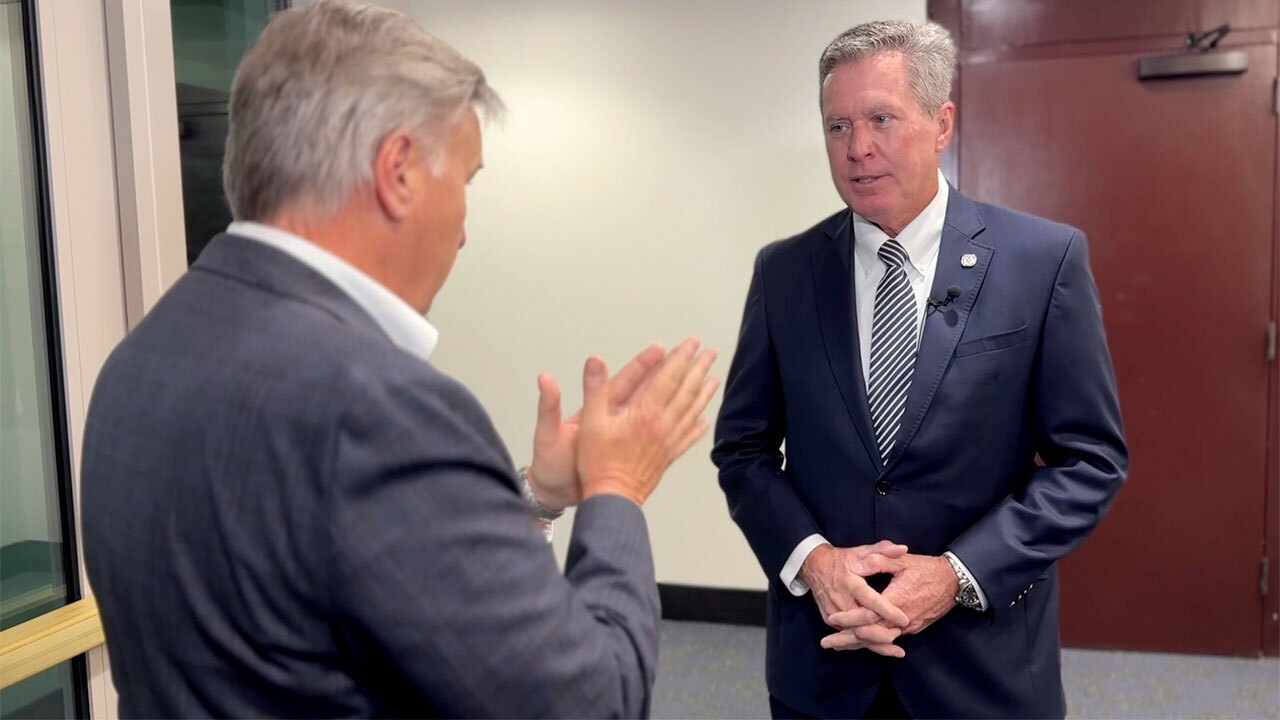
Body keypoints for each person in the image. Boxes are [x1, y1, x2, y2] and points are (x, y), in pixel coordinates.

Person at [80, 1, 717, 716]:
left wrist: (534, 496)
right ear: (400, 171)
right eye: (467, 182)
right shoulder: (377, 408)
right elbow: (592, 702)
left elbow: (334, 571)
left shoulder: (144, 354)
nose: (466, 231)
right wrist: (616, 487)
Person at [712, 19, 1127, 719]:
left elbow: (1090, 460)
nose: (858, 148)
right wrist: (814, 560)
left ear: (942, 124)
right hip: (825, 661)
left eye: (881, 118)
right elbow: (744, 449)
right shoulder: (784, 271)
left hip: (982, 667)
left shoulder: (1042, 261)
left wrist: (957, 575)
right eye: (837, 126)